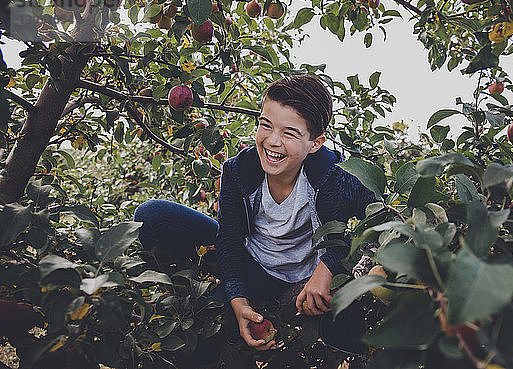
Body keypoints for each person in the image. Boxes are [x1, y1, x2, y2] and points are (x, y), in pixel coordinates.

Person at [133, 75, 377, 355]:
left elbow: (383, 218)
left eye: (289, 133)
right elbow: (229, 239)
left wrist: (329, 267)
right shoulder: (238, 171)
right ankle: (199, 278)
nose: (272, 141)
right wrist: (238, 298)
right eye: (265, 125)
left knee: (349, 336)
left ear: (315, 143)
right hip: (255, 264)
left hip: (307, 277)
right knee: (151, 216)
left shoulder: (336, 176)